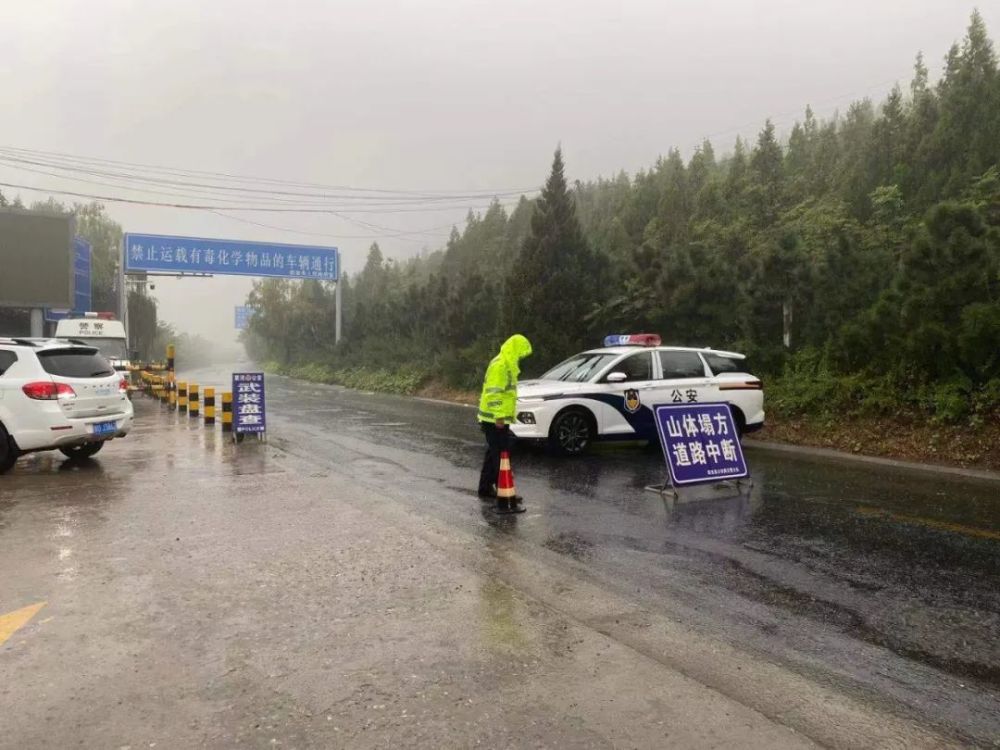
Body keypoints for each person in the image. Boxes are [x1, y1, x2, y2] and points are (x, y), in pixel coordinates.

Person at [477, 334, 532, 511]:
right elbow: (494, 393)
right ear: (513, 350)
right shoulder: (501, 365)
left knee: (493, 452)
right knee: (501, 453)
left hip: (495, 418)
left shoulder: (506, 364)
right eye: (520, 353)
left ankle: (485, 488)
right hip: (494, 418)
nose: (520, 357)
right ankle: (504, 491)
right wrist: (499, 417)